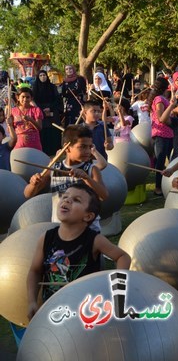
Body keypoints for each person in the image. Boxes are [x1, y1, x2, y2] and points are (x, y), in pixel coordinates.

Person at [26, 183, 130, 318]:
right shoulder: (46, 238)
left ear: (88, 216)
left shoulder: (94, 240)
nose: (67, 200)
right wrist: (32, 301)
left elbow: (123, 257)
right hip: (53, 312)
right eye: (65, 196)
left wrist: (116, 291)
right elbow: (35, 271)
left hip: (86, 313)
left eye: (76, 200)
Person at [24, 125, 109, 233]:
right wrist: (33, 184)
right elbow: (28, 194)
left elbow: (104, 196)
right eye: (82, 147)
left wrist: (86, 178)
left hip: (87, 228)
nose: (88, 151)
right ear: (67, 147)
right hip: (60, 228)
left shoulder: (91, 169)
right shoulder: (54, 169)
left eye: (89, 147)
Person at [148, 78, 176, 195]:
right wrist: (172, 120)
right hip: (161, 134)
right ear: (166, 88)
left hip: (167, 133)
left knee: (170, 160)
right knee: (160, 161)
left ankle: (169, 185)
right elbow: (160, 118)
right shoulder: (159, 99)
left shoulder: (162, 98)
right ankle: (158, 187)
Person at [32, 69, 62, 156]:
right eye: (40, 75)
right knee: (43, 131)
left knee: (54, 130)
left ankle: (55, 150)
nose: (43, 77)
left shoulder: (52, 86)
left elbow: (57, 99)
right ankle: (44, 150)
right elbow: (34, 100)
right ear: (38, 77)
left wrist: (50, 108)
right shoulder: (35, 87)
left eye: (44, 75)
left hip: (52, 110)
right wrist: (41, 109)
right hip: (40, 111)